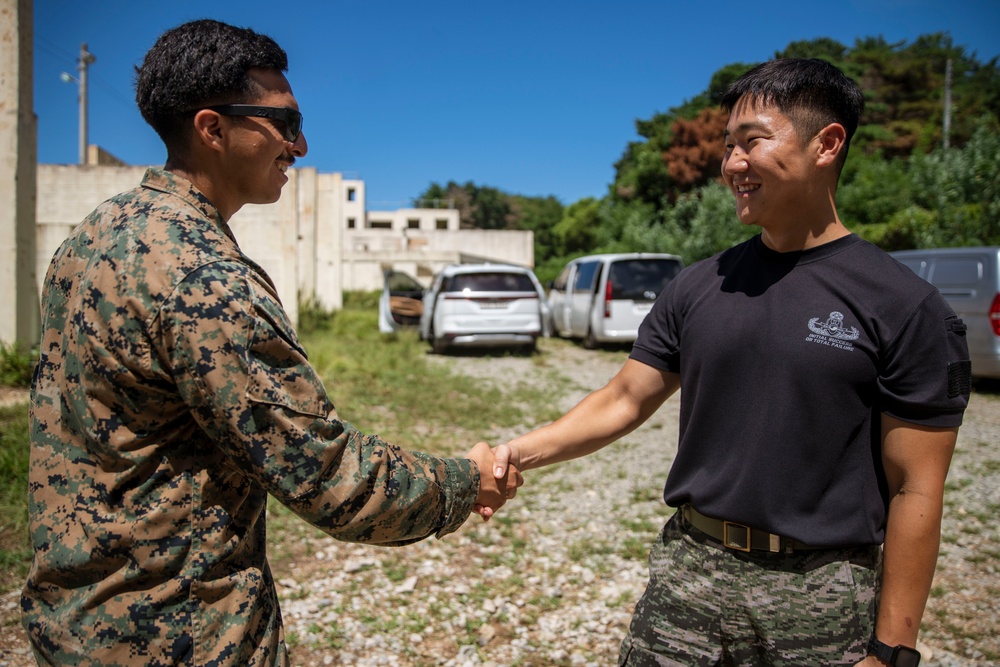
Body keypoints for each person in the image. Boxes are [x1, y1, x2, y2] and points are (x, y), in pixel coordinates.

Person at [22, 19, 519, 666]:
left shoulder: (94, 236)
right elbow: (329, 478)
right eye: (284, 123)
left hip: (73, 628)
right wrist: (466, 480)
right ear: (212, 129)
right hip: (178, 637)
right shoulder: (204, 278)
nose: (301, 144)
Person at [489, 58, 970, 666]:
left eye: (752, 143)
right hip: (689, 575)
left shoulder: (902, 305)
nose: (732, 165)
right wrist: (517, 454)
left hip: (821, 594)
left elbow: (916, 488)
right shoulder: (697, 286)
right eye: (727, 147)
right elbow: (624, 398)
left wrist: (893, 650)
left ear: (827, 144)